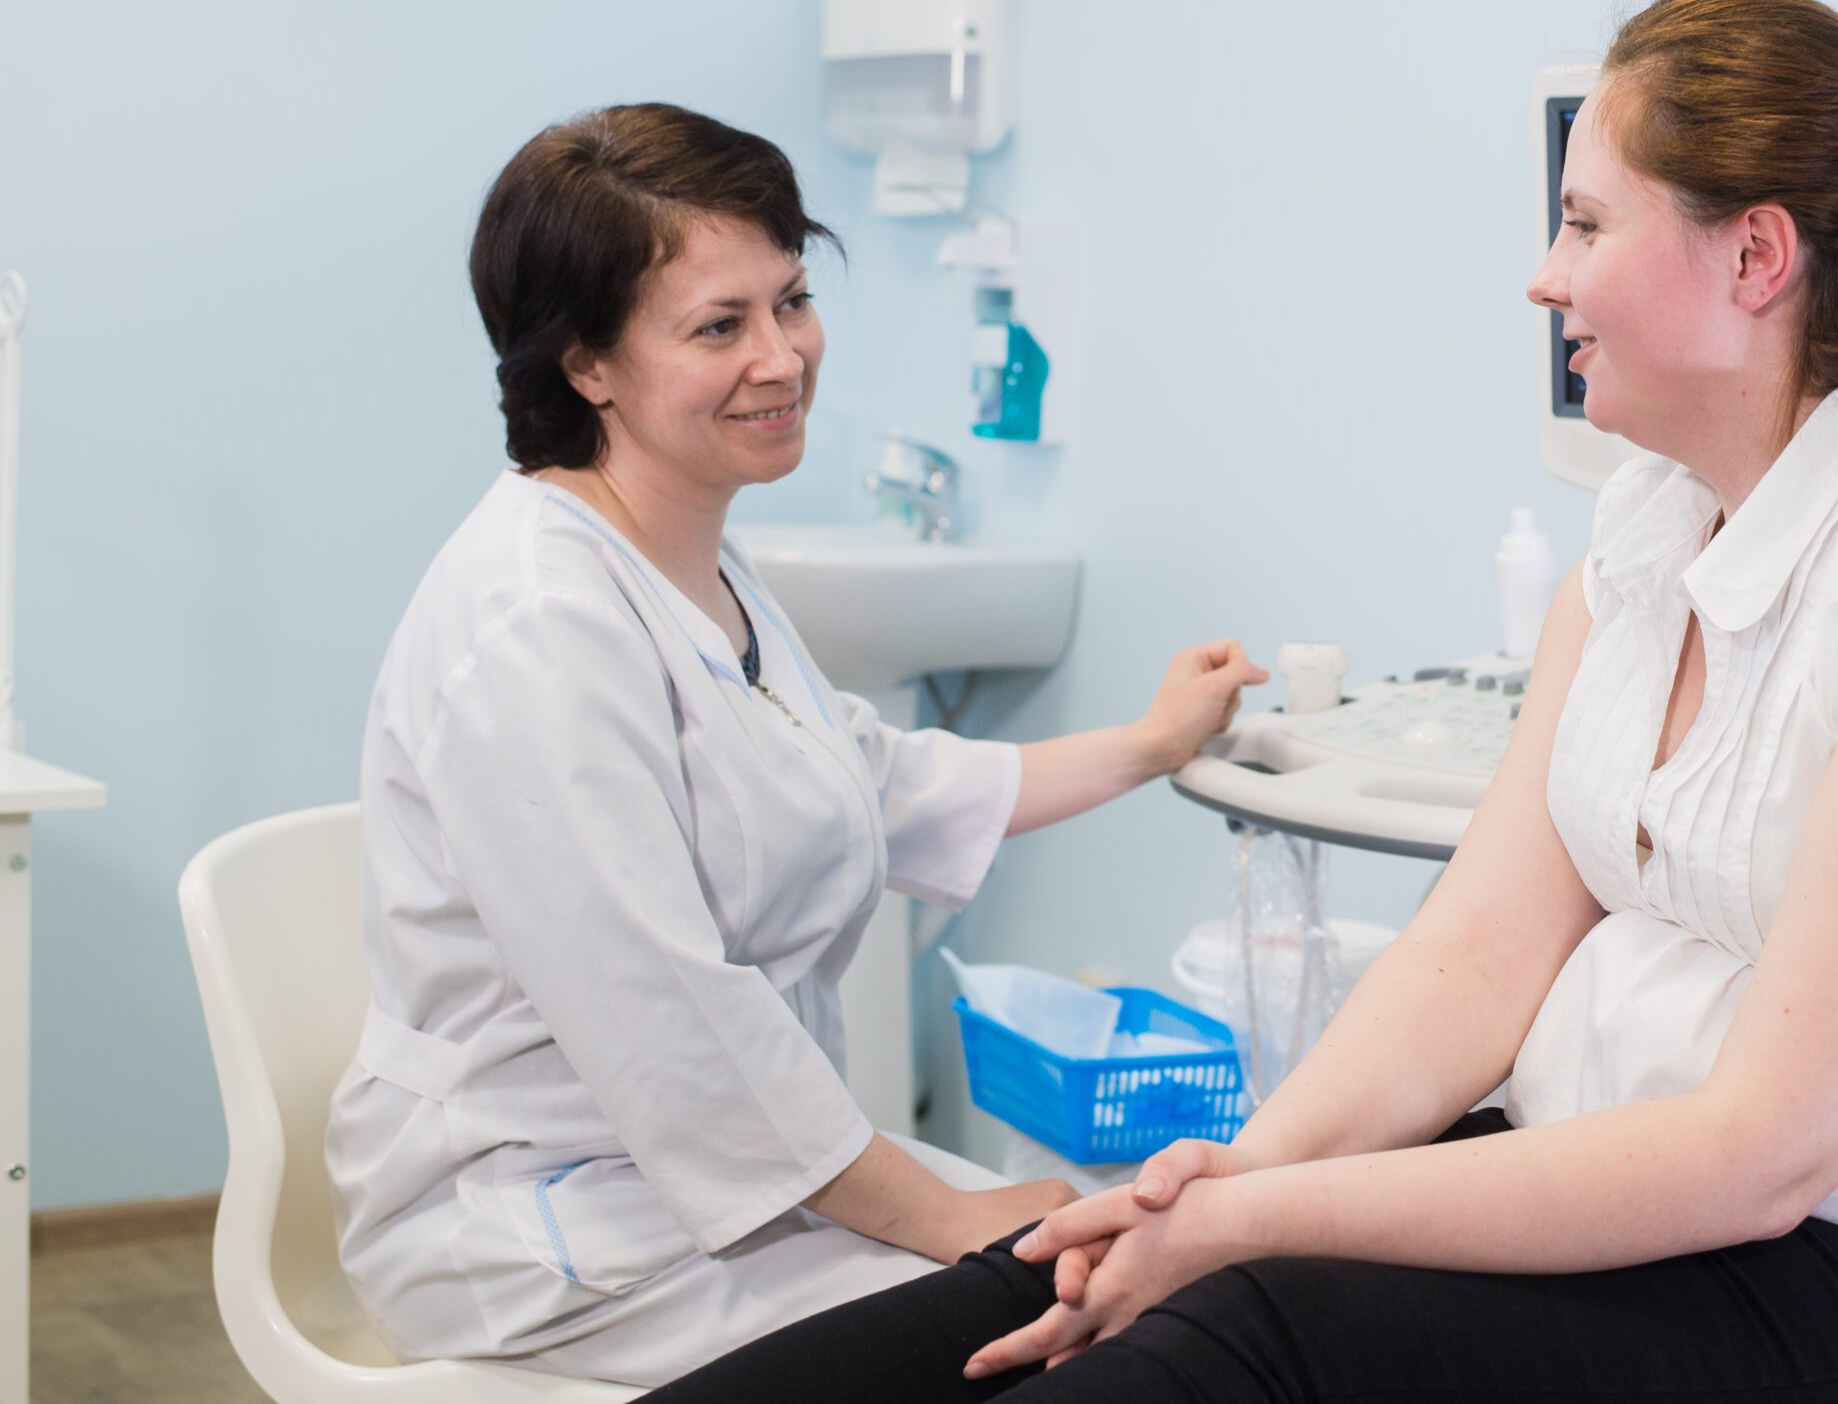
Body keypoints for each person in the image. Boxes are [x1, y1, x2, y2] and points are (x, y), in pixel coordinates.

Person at [642, 0, 1838, 1404]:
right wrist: (1222, 1183)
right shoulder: (1646, 529)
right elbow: (1479, 951)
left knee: (1252, 1333)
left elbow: (1764, 1155)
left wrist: (1255, 1224)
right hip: (1642, 1195)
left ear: (1754, 255)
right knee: (1067, 1271)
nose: (1545, 278)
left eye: (1588, 226)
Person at [325, 102, 1267, 1387]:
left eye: (791, 301)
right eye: (720, 326)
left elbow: (871, 780)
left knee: (1160, 1265)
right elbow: (671, 1023)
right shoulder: (535, 627)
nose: (782, 357)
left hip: (723, 1181)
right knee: (1077, 1322)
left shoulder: (688, 556)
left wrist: (1151, 744)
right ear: (585, 365)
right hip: (548, 1219)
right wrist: (956, 1227)